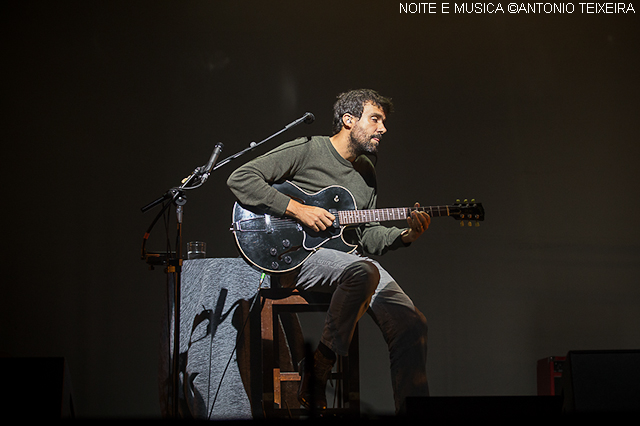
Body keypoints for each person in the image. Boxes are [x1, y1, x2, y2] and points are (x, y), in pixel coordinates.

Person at [227, 89, 430, 414]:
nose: (383, 128)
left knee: (412, 324)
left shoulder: (366, 172)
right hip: (296, 255)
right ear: (349, 120)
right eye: (375, 119)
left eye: (383, 121)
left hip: (347, 260)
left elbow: (366, 237)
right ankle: (320, 368)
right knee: (363, 271)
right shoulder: (309, 149)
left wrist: (405, 235)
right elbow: (241, 178)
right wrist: (298, 209)